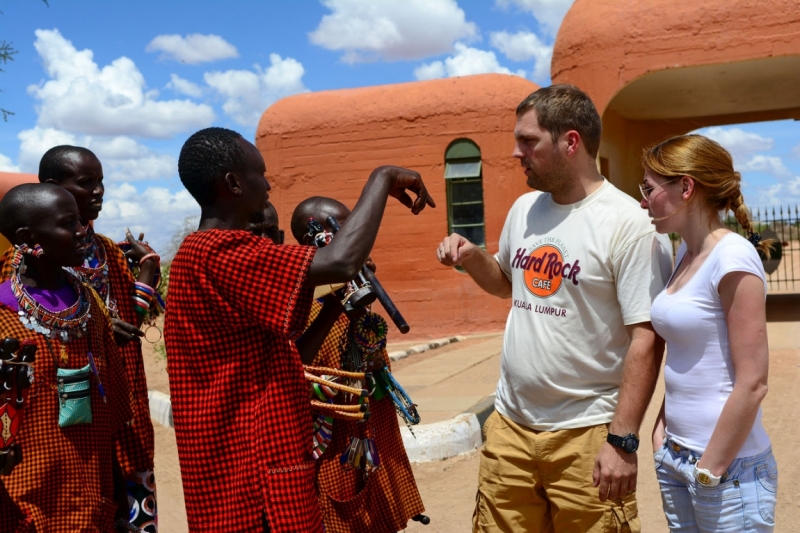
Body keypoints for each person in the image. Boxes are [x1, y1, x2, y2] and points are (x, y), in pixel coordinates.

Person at [164, 127, 433, 533]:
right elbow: (340, 262)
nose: (269, 183)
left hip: (263, 467)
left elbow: (290, 357)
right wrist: (382, 178)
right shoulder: (219, 253)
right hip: (252, 482)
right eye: (260, 173)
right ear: (234, 184)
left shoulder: (210, 256)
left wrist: (334, 308)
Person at [436, 84, 673, 532]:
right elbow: (507, 282)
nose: (515, 153)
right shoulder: (525, 209)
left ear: (570, 141)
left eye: (528, 141)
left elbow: (647, 336)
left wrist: (622, 441)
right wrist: (472, 257)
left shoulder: (630, 225)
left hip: (587, 434)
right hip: (510, 426)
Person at [8, 145, 160, 531]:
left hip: (111, 412)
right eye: (86, 182)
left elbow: (132, 313)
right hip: (35, 474)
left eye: (101, 181)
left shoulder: (103, 255)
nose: (99, 191)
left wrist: (146, 274)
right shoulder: (11, 297)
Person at [642, 134, 777, 532]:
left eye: (648, 189)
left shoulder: (732, 257)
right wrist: (662, 435)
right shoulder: (685, 252)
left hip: (727, 473)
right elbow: (689, 354)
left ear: (685, 188)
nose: (644, 200)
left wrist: (709, 470)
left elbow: (754, 382)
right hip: (678, 458)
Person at [289, 196, 425, 533]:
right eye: (346, 231)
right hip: (334, 445)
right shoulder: (303, 301)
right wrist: (335, 304)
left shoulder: (356, 291)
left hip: (372, 435)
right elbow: (297, 369)